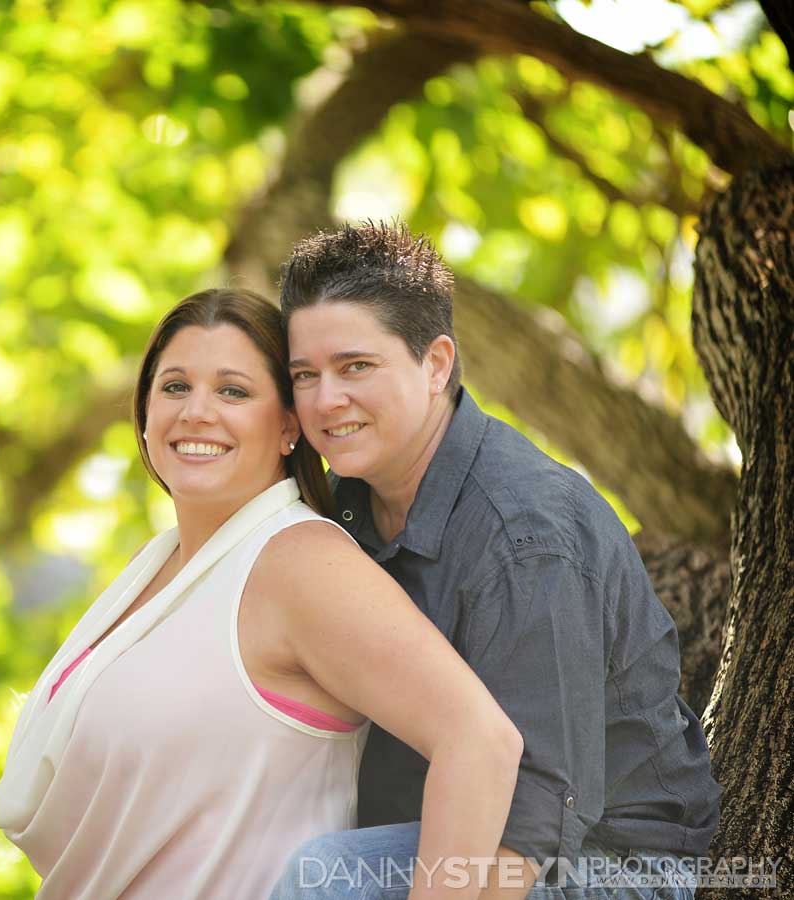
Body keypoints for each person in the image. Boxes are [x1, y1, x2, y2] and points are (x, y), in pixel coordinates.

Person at [0, 287, 523, 899]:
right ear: (143, 417)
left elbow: (480, 739)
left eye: (233, 391)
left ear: (288, 428)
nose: (196, 411)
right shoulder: (153, 569)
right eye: (174, 387)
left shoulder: (299, 563)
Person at [271, 223, 722, 900]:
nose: (325, 400)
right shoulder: (340, 512)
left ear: (436, 364)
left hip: (610, 860)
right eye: (305, 375)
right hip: (450, 831)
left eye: (356, 366)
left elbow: (538, 811)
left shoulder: (526, 535)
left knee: (325, 882)